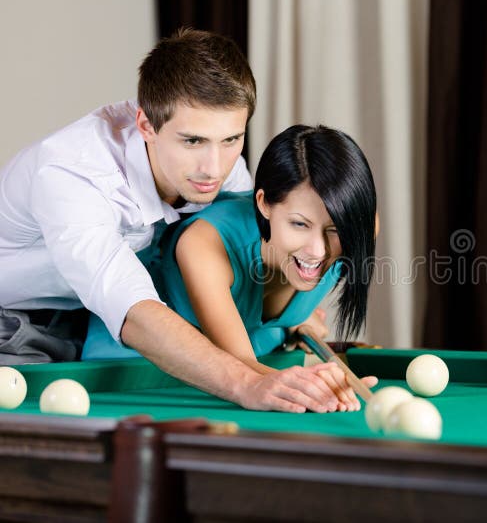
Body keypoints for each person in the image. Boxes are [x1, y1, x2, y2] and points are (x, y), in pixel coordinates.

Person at [0, 28, 370, 413]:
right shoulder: (71, 175)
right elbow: (133, 311)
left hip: (89, 319)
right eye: (192, 141)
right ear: (146, 125)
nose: (214, 168)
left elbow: (246, 243)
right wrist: (249, 384)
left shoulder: (217, 165)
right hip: (14, 323)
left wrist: (295, 310)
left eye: (231, 140)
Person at [83, 124, 380, 411]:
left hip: (259, 360)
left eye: (334, 229)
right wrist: (315, 386)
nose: (318, 250)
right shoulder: (205, 244)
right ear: (264, 204)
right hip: (138, 373)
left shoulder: (357, 232)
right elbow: (240, 367)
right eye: (299, 224)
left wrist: (295, 321)